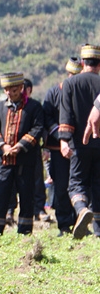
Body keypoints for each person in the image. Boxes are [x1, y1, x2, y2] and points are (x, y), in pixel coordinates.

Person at [0, 73, 44, 238]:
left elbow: (38, 128)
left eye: (13, 89)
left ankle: (24, 232)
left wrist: (20, 146)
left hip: (25, 160)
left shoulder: (34, 107)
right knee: (0, 195)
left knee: (26, 195)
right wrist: (3, 147)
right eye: (7, 89)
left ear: (21, 88)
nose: (10, 93)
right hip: (3, 160)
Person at [59, 44, 100, 239]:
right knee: (98, 184)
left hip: (79, 143)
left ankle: (82, 209)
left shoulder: (70, 83)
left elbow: (66, 114)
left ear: (83, 62)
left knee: (76, 183)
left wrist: (64, 140)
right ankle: (98, 231)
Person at [42, 57, 81, 235]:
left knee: (81, 185)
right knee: (61, 186)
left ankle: (81, 220)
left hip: (81, 148)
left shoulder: (84, 92)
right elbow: (47, 117)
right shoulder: (53, 93)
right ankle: (64, 224)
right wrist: (61, 136)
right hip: (59, 150)